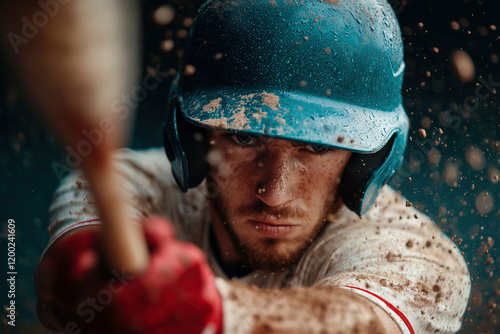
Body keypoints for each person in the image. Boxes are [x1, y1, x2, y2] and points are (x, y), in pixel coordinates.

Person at [34, 0, 470, 333]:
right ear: (194, 138)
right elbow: (76, 267)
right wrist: (86, 280)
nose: (275, 193)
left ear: (367, 160)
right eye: (244, 138)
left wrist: (210, 309)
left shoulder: (418, 257)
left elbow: (363, 322)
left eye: (317, 149)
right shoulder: (130, 187)